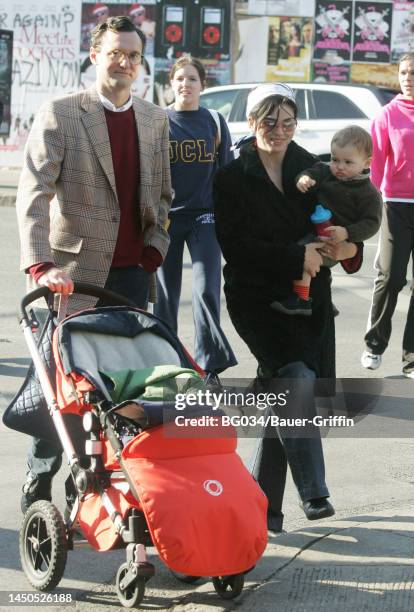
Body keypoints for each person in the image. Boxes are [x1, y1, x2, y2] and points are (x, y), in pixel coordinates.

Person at [16, 15, 172, 511]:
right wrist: (42, 266)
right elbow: (33, 193)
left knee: (124, 389)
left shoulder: (153, 118)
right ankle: (41, 477)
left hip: (130, 275)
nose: (123, 62)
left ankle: (97, 487)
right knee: (63, 387)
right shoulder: (62, 113)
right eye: (114, 53)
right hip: (70, 275)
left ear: (141, 62)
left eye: (132, 54)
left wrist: (155, 248)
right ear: (95, 56)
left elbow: (164, 193)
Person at [213, 83, 362, 532]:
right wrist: (297, 256)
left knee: (288, 395)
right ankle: (315, 493)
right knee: (294, 379)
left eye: (287, 122)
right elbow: (236, 248)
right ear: (252, 121)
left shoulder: (314, 170)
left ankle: (261, 511)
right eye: (268, 121)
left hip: (309, 299)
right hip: (256, 299)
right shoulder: (232, 177)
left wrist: (348, 246)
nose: (278, 131)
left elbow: (347, 217)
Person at [155, 56, 237, 386]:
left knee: (206, 290)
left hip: (205, 217)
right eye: (180, 79)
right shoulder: (158, 121)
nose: (185, 84)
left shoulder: (214, 121)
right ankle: (166, 363)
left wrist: (230, 219)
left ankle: (209, 367)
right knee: (165, 296)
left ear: (203, 85)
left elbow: (227, 172)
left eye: (192, 79)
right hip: (167, 220)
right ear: (170, 84)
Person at [271, 125, 382, 316]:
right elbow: (313, 171)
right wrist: (304, 178)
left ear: (367, 163)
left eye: (348, 162)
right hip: (317, 230)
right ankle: (323, 302)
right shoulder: (327, 172)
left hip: (337, 240)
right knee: (308, 262)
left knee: (302, 257)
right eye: (334, 159)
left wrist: (347, 232)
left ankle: (301, 300)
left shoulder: (368, 193)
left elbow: (372, 223)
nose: (339, 166)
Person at [361, 53, 414, 376]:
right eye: (405, 72)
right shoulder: (387, 115)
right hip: (395, 204)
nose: (409, 77)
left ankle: (412, 358)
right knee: (391, 277)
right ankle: (374, 344)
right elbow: (376, 164)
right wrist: (373, 201)